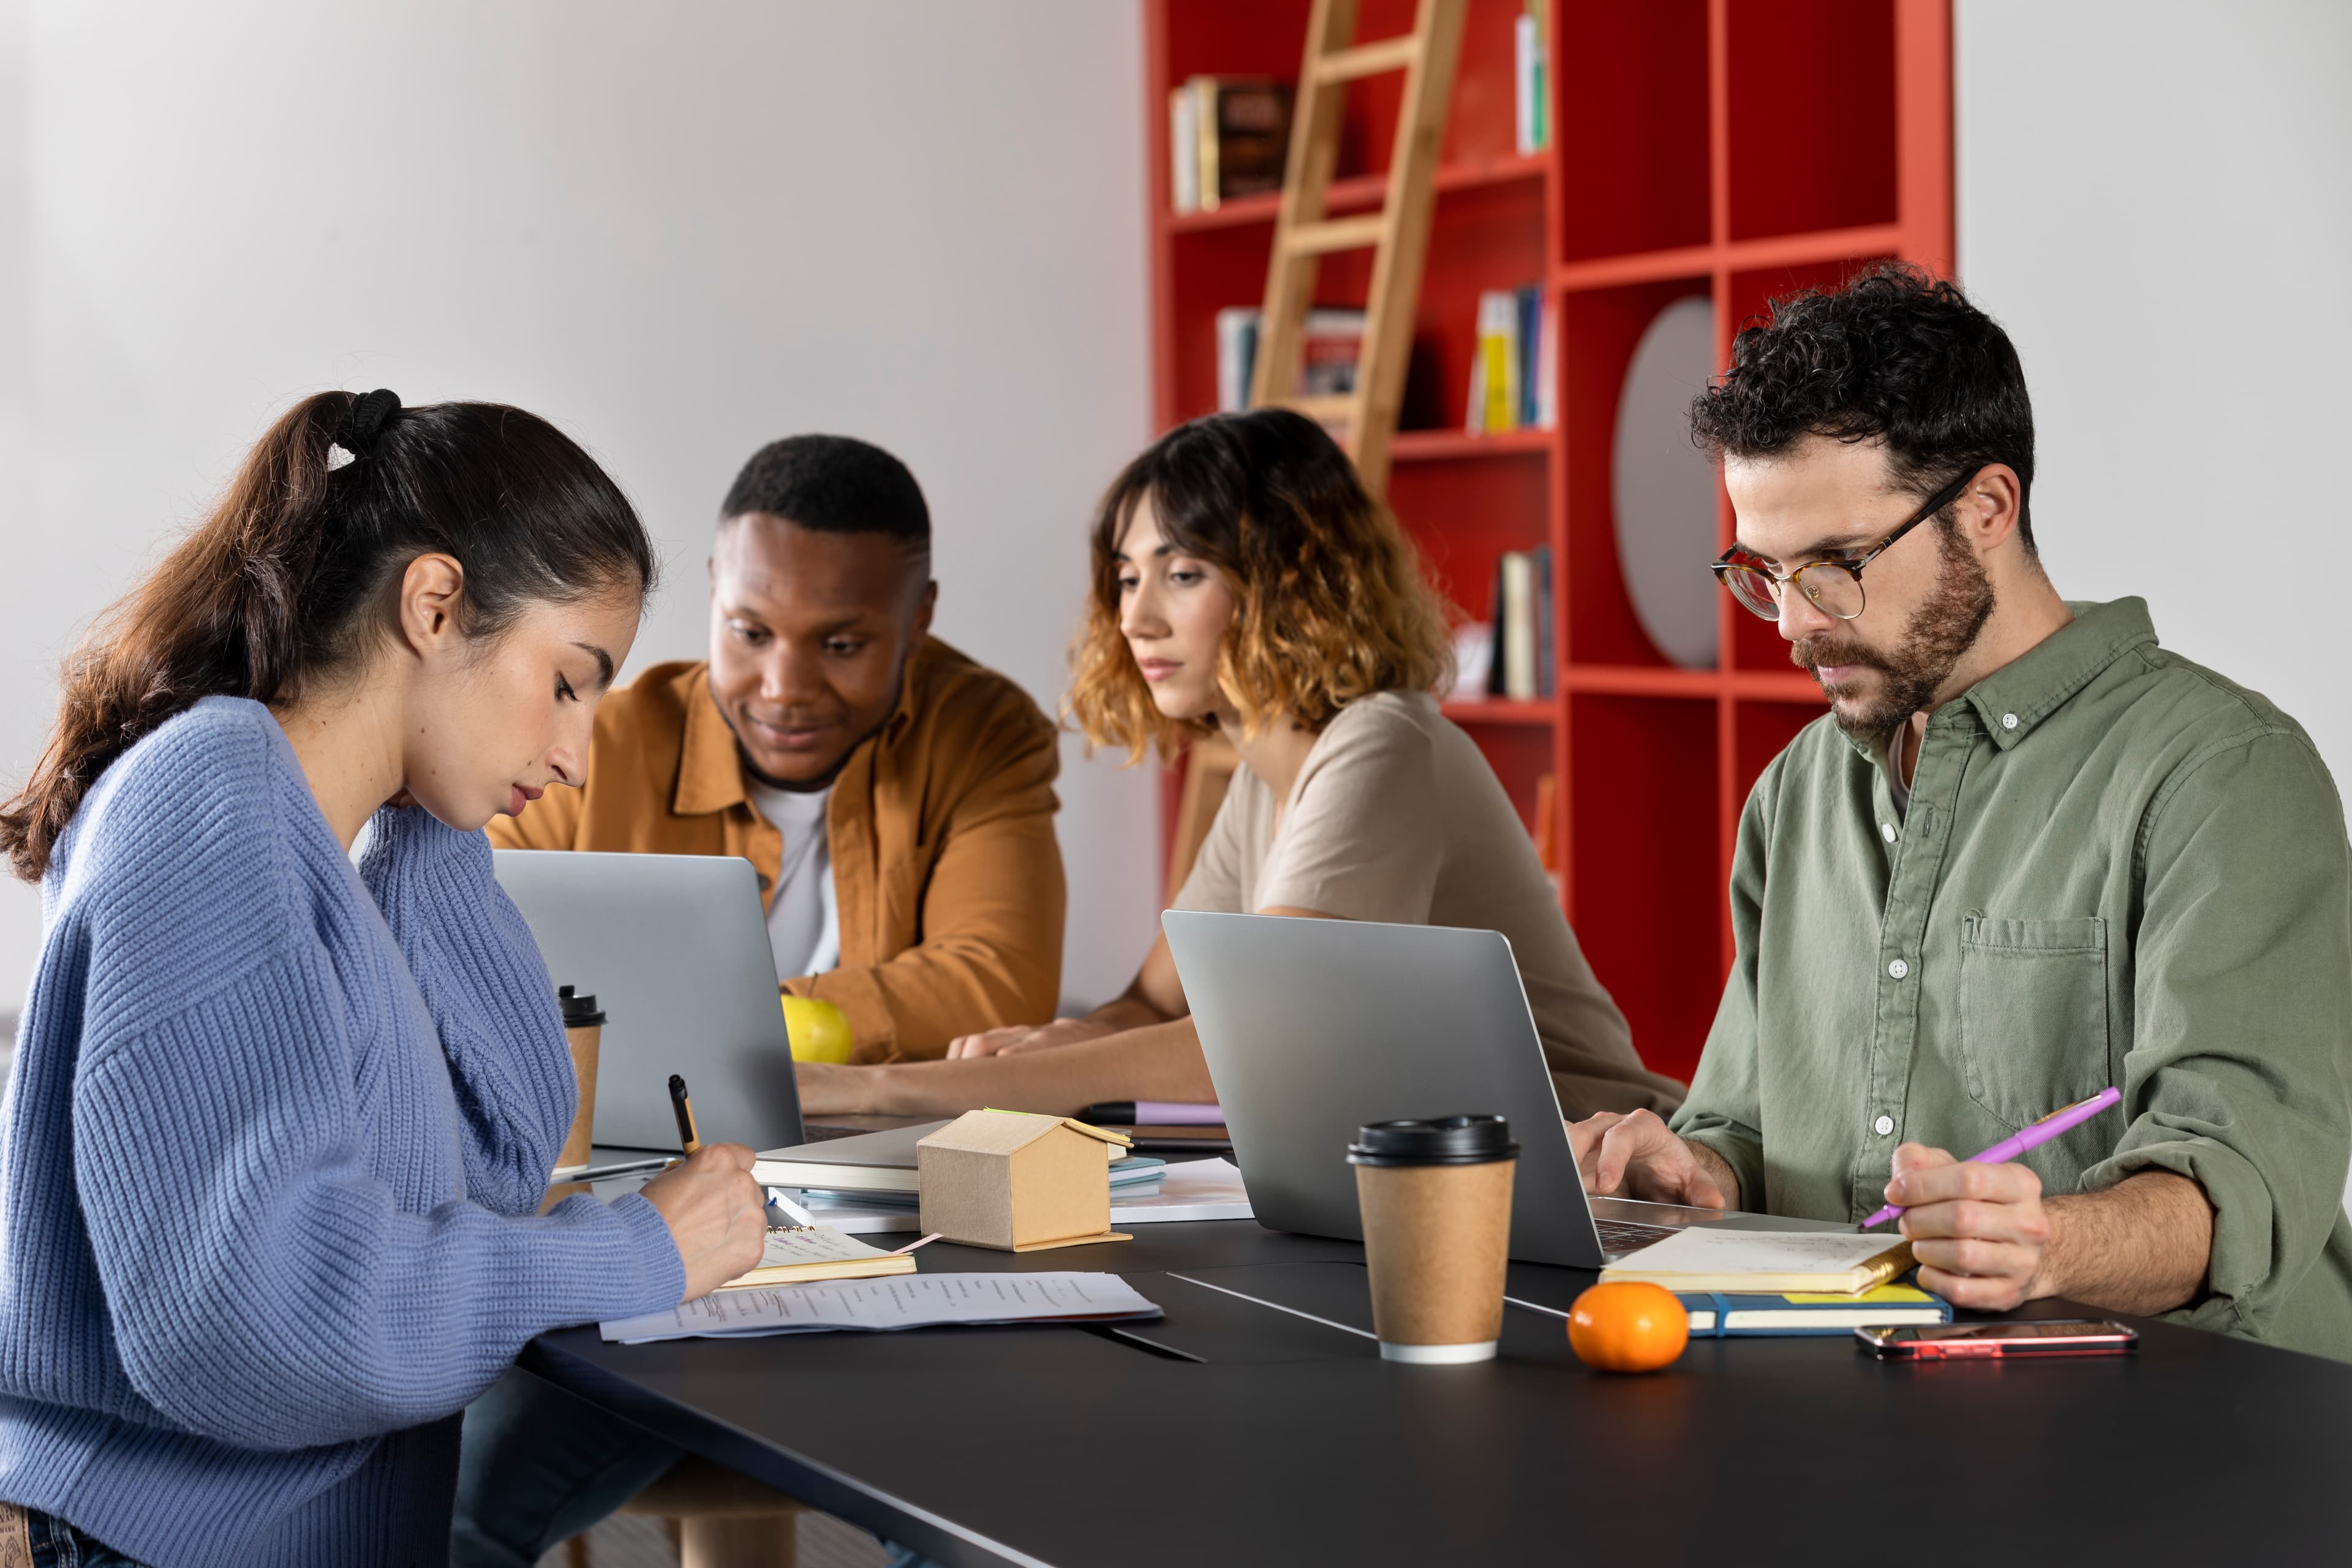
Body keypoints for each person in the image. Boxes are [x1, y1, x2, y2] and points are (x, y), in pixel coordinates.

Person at [0, 390, 768, 1567]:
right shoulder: (214, 800)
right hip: (134, 1542)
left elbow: (494, 1170)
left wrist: (432, 827)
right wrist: (635, 1250)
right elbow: (265, 1316)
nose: (572, 753)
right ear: (435, 603)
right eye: (567, 683)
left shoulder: (330, 843)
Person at [1573, 263, 2352, 1358]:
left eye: (1837, 566)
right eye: (1766, 572)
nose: (1794, 625)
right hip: (1894, 1416)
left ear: (1989, 507)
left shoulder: (2223, 774)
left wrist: (2051, 1244)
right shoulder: (1800, 790)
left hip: (2199, 1433)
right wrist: (1694, 1171)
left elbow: (2246, 1186)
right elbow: (1746, 1124)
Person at [794, 407, 1683, 1121]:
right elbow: (1152, 1006)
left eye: (1180, 574)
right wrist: (1053, 1044)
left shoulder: (1381, 744)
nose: (1136, 616)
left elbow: (1255, 1049)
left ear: (1288, 580)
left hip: (1604, 1178)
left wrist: (886, 1089)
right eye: (1126, 575)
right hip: (1440, 1178)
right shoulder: (1267, 779)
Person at [489, 433, 1065, 1062]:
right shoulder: (597, 742)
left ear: (919, 618)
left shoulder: (983, 732)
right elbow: (464, 935)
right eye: (751, 632)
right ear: (716, 590)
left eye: (841, 645)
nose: (784, 689)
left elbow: (1002, 981)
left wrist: (735, 1020)